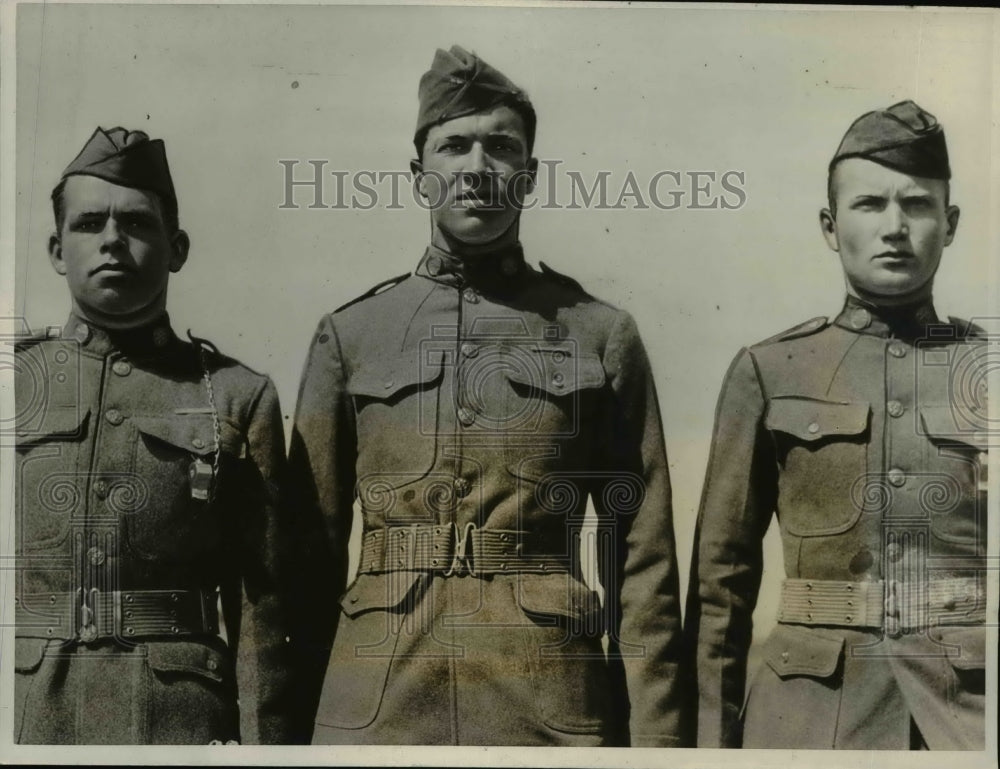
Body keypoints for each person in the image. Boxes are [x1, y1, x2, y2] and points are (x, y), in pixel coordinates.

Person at [287, 45, 686, 746]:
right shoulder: (350, 336)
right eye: (454, 146)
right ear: (419, 175)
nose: (477, 167)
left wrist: (658, 749)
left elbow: (642, 564)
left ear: (528, 175)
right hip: (375, 705)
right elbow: (301, 565)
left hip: (549, 705)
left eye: (501, 147)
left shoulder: (598, 334)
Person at [686, 100, 987, 749]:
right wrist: (708, 754)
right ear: (830, 224)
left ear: (950, 221)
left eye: (917, 204)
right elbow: (720, 592)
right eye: (870, 205)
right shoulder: (770, 370)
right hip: (807, 720)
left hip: (965, 720)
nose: (896, 227)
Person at [11, 127, 292, 744]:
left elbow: (262, 606)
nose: (112, 239)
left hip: (180, 721)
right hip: (22, 710)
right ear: (57, 250)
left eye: (137, 224)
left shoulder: (236, 395)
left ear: (177, 248)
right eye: (89, 224)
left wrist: (266, 750)